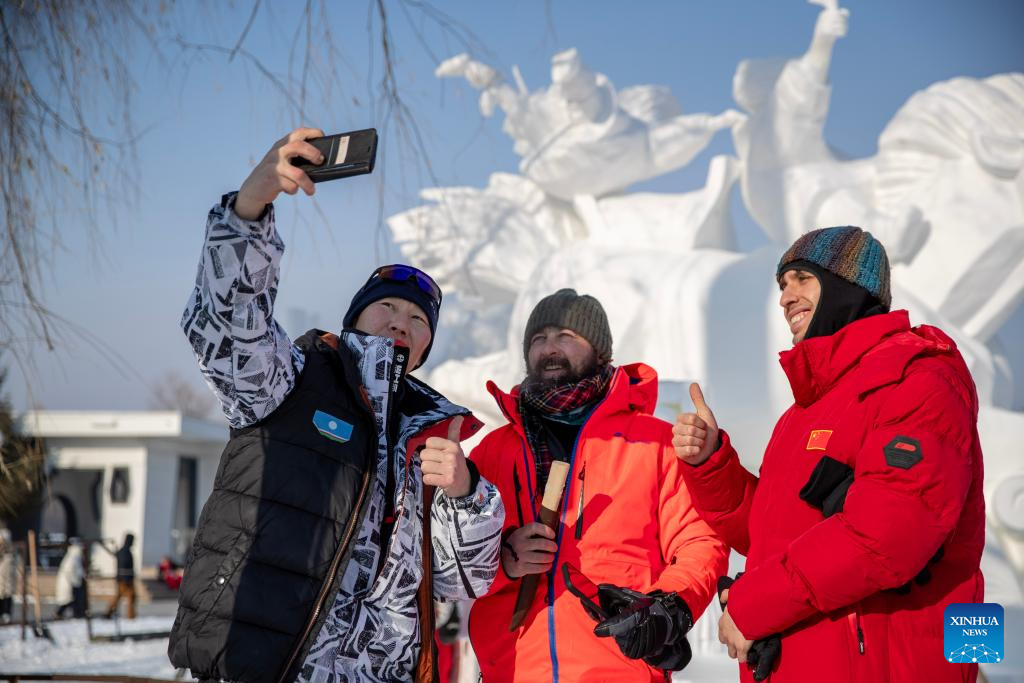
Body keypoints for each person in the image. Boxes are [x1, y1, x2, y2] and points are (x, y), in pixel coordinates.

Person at [168, 128, 504, 683]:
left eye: (417, 318)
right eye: (387, 306)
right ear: (355, 318)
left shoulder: (433, 435)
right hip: (271, 665)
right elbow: (228, 330)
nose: (400, 321)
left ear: (425, 347)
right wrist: (249, 210)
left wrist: (467, 495)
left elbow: (458, 581)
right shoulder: (293, 381)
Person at [674, 226, 985, 682]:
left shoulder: (917, 378)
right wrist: (711, 463)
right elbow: (773, 533)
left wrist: (754, 604)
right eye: (783, 285)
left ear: (848, 286)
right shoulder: (805, 411)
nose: (786, 297)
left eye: (802, 278)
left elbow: (889, 534)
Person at [468, 289, 728, 681]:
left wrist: (667, 606)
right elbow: (453, 559)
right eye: (538, 338)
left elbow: (700, 542)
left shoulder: (655, 444)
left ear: (601, 352)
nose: (549, 348)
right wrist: (503, 560)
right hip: (513, 670)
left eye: (566, 336)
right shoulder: (492, 452)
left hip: (620, 669)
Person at [103, 533, 136, 619]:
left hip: (124, 578)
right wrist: (127, 579)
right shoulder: (125, 552)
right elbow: (124, 565)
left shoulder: (123, 551)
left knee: (119, 596)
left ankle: (109, 612)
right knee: (130, 597)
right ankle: (130, 616)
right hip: (125, 579)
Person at [55, 540, 86, 619]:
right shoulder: (75, 556)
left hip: (72, 581)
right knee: (71, 599)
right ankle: (75, 614)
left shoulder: (73, 555)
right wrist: (77, 578)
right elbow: (72, 569)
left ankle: (77, 613)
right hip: (71, 581)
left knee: (71, 599)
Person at [0, 528, 16, 624]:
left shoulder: (9, 557)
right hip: (1, 583)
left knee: (6, 594)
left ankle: (6, 614)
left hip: (6, 583)